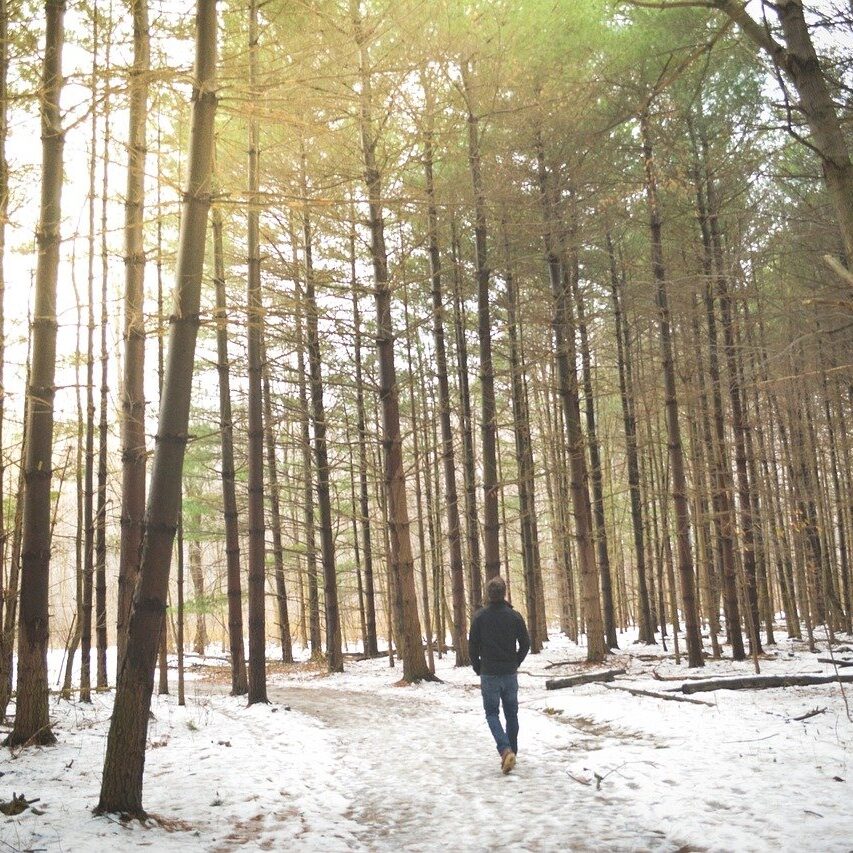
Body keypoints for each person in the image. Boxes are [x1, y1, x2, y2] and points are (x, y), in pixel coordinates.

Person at [468, 575, 530, 774]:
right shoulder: (514, 616)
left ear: (488, 594)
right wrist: (516, 661)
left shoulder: (479, 617)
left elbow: (472, 647)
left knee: (492, 713)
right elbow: (526, 643)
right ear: (504, 593)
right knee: (512, 714)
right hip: (509, 673)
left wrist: (478, 667)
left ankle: (505, 751)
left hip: (490, 674)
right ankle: (511, 752)